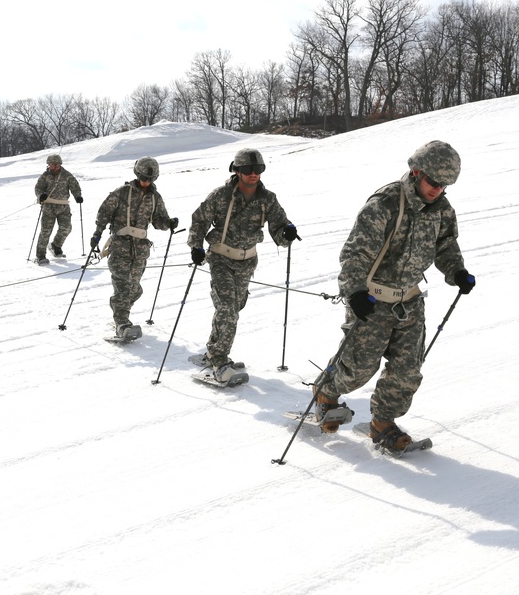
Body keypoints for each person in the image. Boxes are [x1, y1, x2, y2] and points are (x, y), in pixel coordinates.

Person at [312, 140, 476, 450]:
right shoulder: (386, 203)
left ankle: (382, 422)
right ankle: (325, 392)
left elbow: (446, 246)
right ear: (416, 172)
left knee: (407, 370)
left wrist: (456, 271)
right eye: (433, 182)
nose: (437, 190)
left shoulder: (441, 210)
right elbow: (355, 253)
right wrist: (356, 292)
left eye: (444, 185)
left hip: (410, 300)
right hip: (372, 299)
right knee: (360, 367)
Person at [187, 148, 299, 382]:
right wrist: (195, 247)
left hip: (247, 261)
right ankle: (219, 361)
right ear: (237, 171)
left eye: (258, 169)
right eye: (248, 170)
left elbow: (279, 227)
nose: (253, 174)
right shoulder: (221, 195)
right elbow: (199, 220)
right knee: (227, 308)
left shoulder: (268, 199)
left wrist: (287, 233)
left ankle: (213, 349)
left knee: (233, 308)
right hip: (220, 257)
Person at [90, 157, 177, 340]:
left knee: (135, 289)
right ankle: (122, 324)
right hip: (120, 248)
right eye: (143, 177)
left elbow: (159, 221)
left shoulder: (155, 198)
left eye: (150, 178)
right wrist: (97, 234)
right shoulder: (122, 193)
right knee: (123, 287)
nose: (146, 181)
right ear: (137, 174)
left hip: (140, 251)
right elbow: (104, 213)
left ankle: (119, 313)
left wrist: (168, 223)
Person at [33, 154, 83, 263]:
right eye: (51, 165)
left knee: (66, 228)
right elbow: (38, 188)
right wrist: (40, 195)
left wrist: (78, 196)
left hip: (63, 206)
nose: (53, 167)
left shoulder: (67, 175)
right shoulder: (45, 176)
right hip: (48, 207)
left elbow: (75, 187)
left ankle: (56, 246)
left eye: (55, 165)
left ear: (59, 164)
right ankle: (40, 255)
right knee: (45, 231)